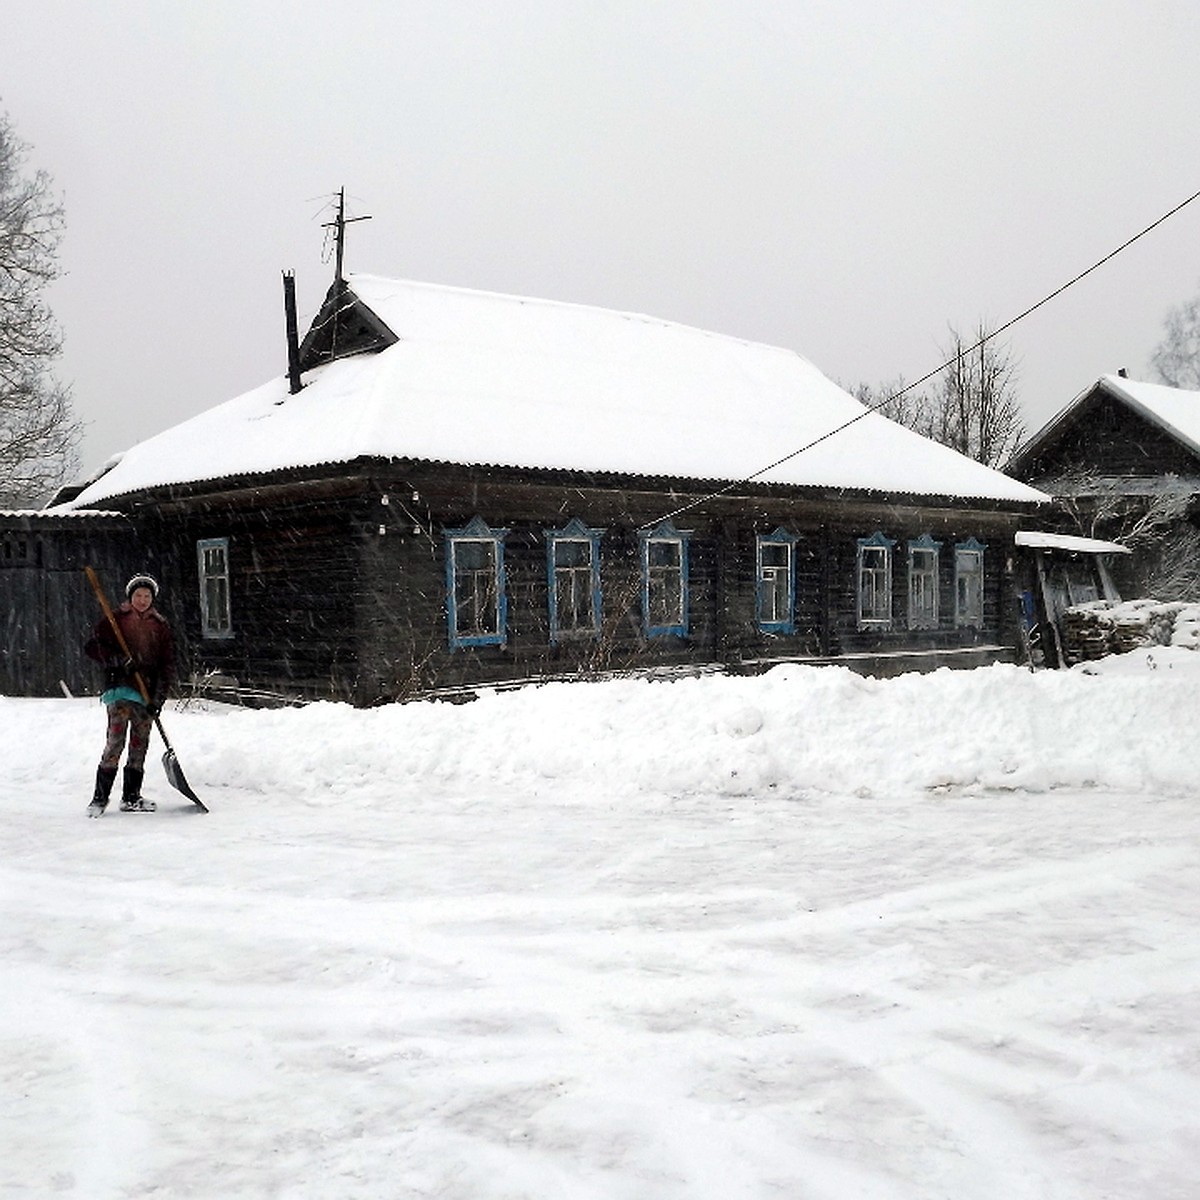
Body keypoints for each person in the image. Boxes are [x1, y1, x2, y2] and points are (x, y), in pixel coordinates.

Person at [84, 573, 175, 814]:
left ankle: (131, 797)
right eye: (138, 595)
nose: (142, 600)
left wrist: (158, 698)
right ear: (130, 597)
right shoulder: (115, 620)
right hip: (120, 690)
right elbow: (93, 647)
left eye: (147, 596)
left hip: (146, 694)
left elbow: (166, 665)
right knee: (115, 742)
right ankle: (99, 799)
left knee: (139, 744)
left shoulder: (160, 625)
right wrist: (117, 660)